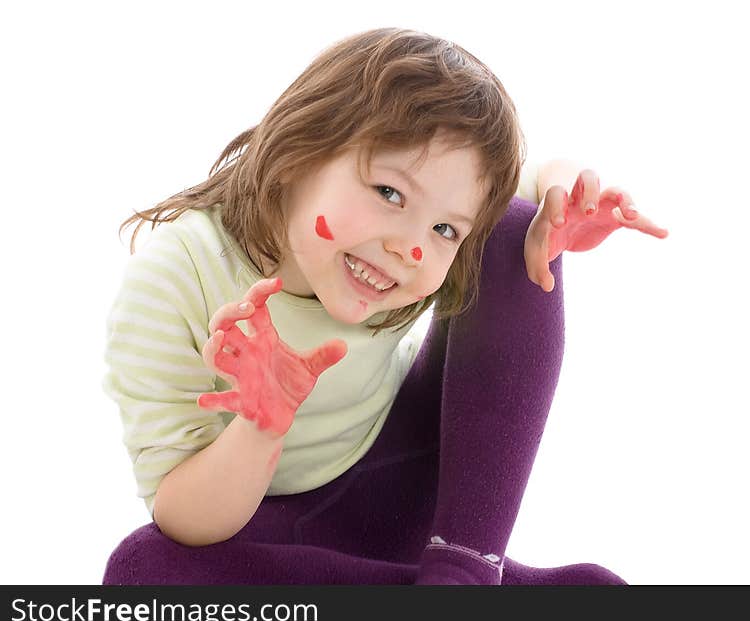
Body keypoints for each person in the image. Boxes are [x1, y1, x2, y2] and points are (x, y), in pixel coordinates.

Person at [101, 27, 667, 585]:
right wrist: (261, 429)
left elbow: (537, 180)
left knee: (518, 229)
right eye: (389, 194)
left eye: (444, 228)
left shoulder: (423, 218)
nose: (411, 248)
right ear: (301, 149)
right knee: (140, 573)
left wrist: (563, 199)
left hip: (415, 476)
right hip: (276, 531)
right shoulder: (176, 277)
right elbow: (180, 513)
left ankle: (465, 570)